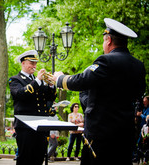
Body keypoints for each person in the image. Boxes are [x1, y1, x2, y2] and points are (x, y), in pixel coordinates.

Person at [52, 18, 146, 165]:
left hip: (102, 135)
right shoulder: (139, 66)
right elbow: (139, 91)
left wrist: (60, 78)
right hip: (125, 133)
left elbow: (81, 80)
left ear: (108, 40)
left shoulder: (106, 61)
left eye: (104, 41)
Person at [9, 50, 57, 165]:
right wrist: (37, 81)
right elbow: (20, 94)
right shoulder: (15, 79)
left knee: (39, 157)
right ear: (23, 63)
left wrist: (51, 85)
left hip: (41, 124)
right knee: (25, 158)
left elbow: (50, 98)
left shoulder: (38, 80)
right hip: (25, 126)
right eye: (31, 63)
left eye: (35, 63)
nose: (34, 66)